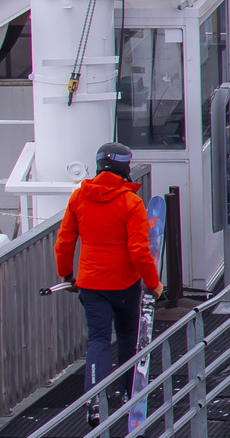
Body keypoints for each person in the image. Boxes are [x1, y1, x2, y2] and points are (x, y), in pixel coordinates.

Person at [56, 141, 161, 396]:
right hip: (124, 286)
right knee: (127, 336)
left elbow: (65, 240)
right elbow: (139, 251)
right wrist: (153, 283)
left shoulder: (79, 197)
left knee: (98, 339)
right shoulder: (131, 203)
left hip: (90, 285)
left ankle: (94, 399)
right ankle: (127, 392)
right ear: (124, 168)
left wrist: (67, 275)